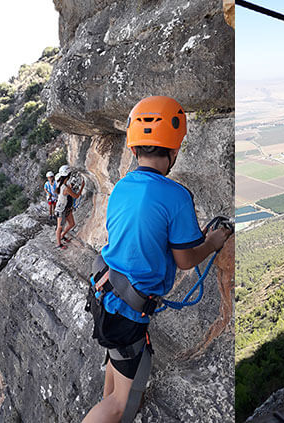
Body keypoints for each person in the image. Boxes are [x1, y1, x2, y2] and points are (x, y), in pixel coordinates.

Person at [83, 96, 231, 423]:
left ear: (134, 150)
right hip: (127, 312)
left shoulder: (122, 186)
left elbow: (135, 235)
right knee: (122, 404)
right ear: (174, 151)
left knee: (117, 367)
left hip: (103, 292)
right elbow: (185, 259)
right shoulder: (176, 195)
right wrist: (213, 242)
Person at [54, 164, 84, 249]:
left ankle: (63, 235)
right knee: (60, 227)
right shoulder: (65, 188)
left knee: (72, 224)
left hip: (66, 208)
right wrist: (82, 187)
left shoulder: (61, 183)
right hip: (61, 210)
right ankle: (59, 244)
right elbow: (76, 196)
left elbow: (67, 188)